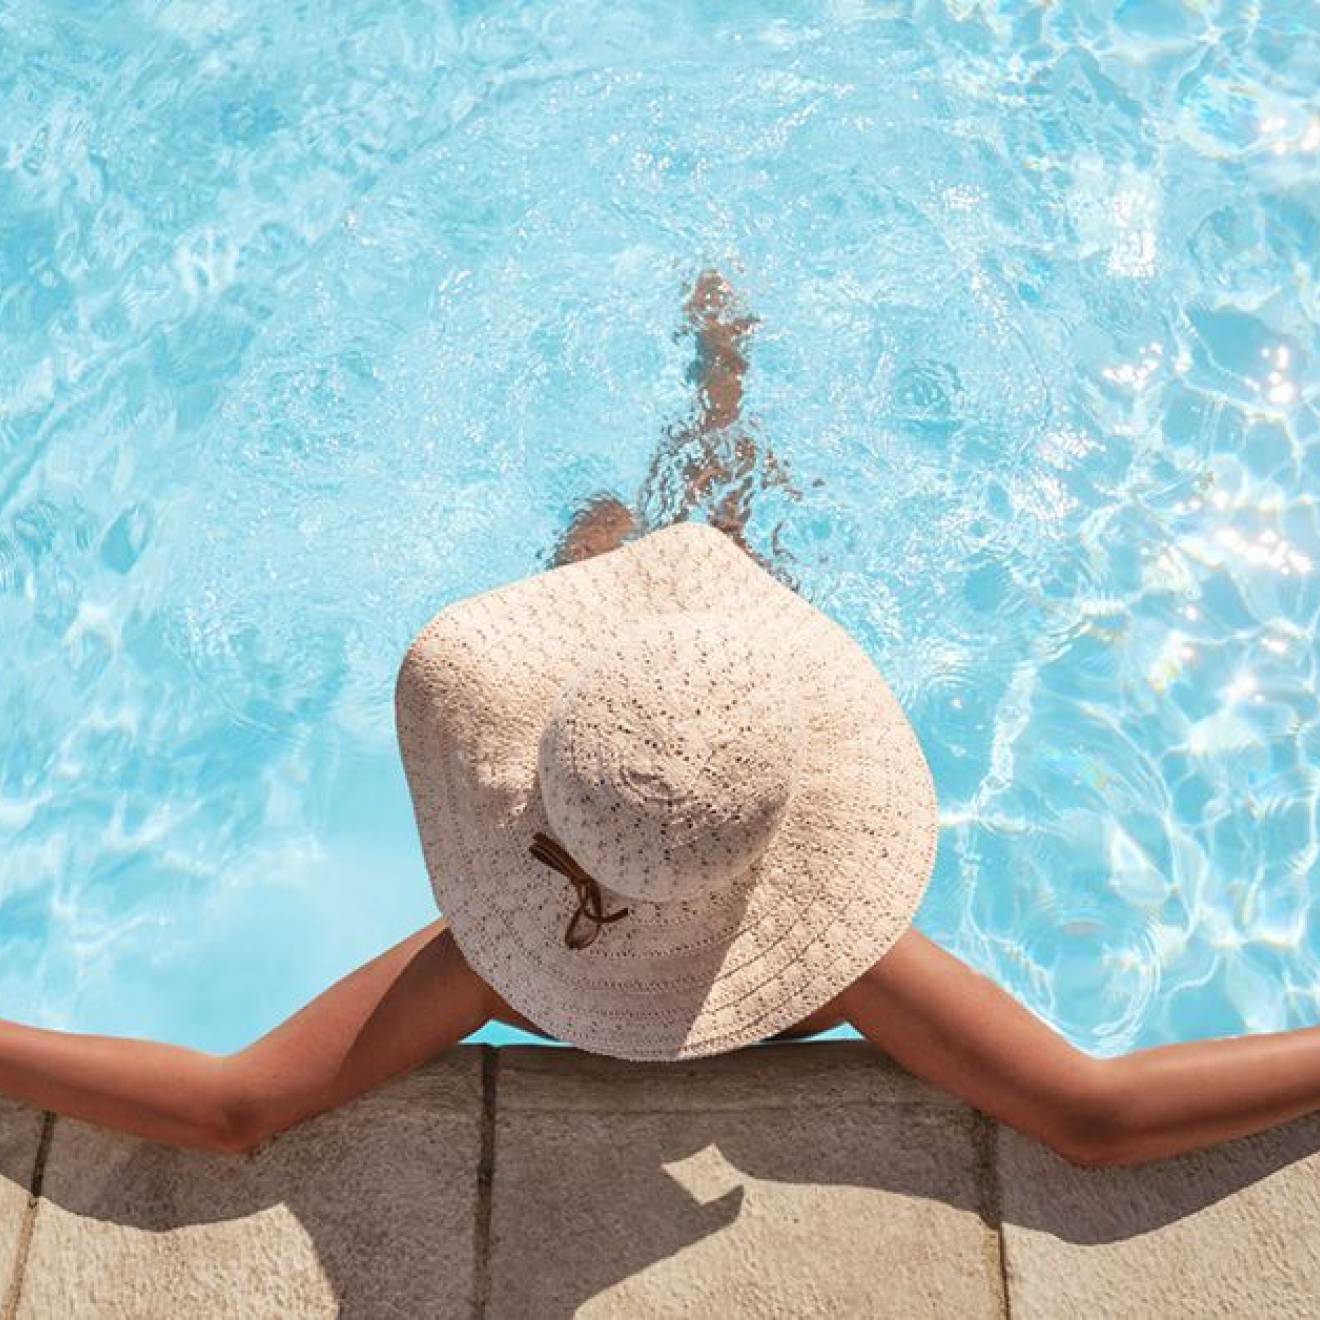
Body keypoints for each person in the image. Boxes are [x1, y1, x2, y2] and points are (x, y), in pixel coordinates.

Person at [3, 271, 1320, 1172]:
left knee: (611, 545)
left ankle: (715, 396)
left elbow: (236, 1108)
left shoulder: (491, 950)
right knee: (676, 549)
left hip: (647, 729)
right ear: (794, 832)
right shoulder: (856, 961)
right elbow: (1092, 1117)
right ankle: (718, 394)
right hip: (686, 726)